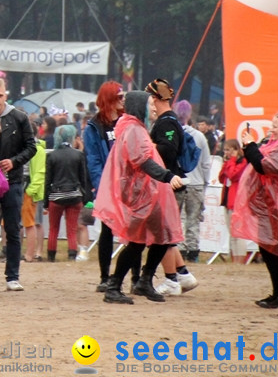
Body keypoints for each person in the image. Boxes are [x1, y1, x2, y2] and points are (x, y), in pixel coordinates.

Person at [94, 91, 184, 305]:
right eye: (151, 104)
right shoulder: (134, 129)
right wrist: (167, 176)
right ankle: (114, 286)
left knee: (164, 235)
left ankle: (144, 279)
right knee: (137, 241)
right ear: (140, 106)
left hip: (149, 193)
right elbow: (141, 160)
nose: (154, 108)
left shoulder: (136, 127)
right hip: (141, 196)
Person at [231, 110, 278, 309]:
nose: (271, 129)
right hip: (275, 206)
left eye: (275, 126)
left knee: (272, 250)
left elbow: (264, 167)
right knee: (270, 249)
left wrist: (250, 146)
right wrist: (252, 146)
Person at [144, 79, 198, 295]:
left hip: (168, 183)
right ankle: (183, 274)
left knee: (162, 235)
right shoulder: (169, 120)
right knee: (168, 233)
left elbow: (168, 150)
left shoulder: (166, 122)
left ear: (156, 98)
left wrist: (146, 144)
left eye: (150, 99)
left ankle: (171, 280)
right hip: (172, 182)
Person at [0, 78, 36, 292]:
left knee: (13, 229)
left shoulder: (19, 118)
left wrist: (14, 161)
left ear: (6, 95)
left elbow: (32, 147)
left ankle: (12, 276)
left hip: (12, 181)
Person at [83, 81, 127, 291]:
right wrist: (102, 187)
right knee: (107, 231)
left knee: (133, 232)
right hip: (108, 184)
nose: (123, 100)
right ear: (108, 99)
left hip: (128, 182)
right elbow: (93, 161)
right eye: (119, 97)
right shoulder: (94, 126)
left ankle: (136, 277)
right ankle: (104, 276)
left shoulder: (128, 121)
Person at [44, 124, 92, 261]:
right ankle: (72, 254)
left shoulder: (52, 155)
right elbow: (83, 178)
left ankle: (51, 256)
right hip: (74, 195)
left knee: (53, 229)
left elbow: (48, 180)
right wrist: (83, 197)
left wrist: (46, 201)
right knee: (71, 229)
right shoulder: (78, 155)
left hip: (56, 195)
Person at [172, 100, 212, 264]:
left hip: (179, 182)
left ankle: (180, 249)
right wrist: (205, 182)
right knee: (193, 219)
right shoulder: (199, 137)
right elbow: (206, 163)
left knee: (178, 218)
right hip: (196, 184)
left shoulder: (173, 134)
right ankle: (193, 250)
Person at [21, 123, 47, 263]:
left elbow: (40, 173)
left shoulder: (38, 150)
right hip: (19, 187)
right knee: (16, 224)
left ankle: (30, 255)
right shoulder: (23, 146)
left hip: (29, 189)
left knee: (30, 224)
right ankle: (19, 253)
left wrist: (31, 190)